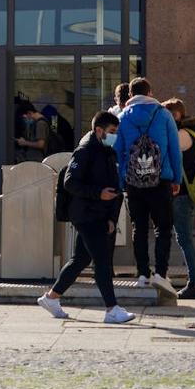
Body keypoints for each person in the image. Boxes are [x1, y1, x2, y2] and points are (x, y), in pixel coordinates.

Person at [38, 112, 136, 324]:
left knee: (81, 259)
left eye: (116, 132)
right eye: (111, 132)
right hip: (86, 214)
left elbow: (112, 184)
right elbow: (70, 182)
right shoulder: (85, 151)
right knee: (101, 260)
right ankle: (112, 309)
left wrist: (111, 217)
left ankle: (51, 298)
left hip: (98, 213)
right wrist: (98, 193)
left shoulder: (106, 151)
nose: (115, 136)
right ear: (98, 130)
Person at [115, 77, 182, 294]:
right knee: (163, 228)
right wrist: (176, 179)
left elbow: (118, 151)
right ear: (150, 92)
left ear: (131, 95)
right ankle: (161, 274)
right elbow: (174, 149)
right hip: (161, 180)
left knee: (139, 228)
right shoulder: (163, 115)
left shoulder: (123, 117)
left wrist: (121, 179)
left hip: (134, 182)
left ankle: (143, 274)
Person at [162, 98, 195, 299]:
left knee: (184, 239)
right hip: (185, 194)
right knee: (185, 239)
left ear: (175, 115)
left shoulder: (182, 135)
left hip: (181, 195)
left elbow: (166, 154)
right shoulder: (192, 133)